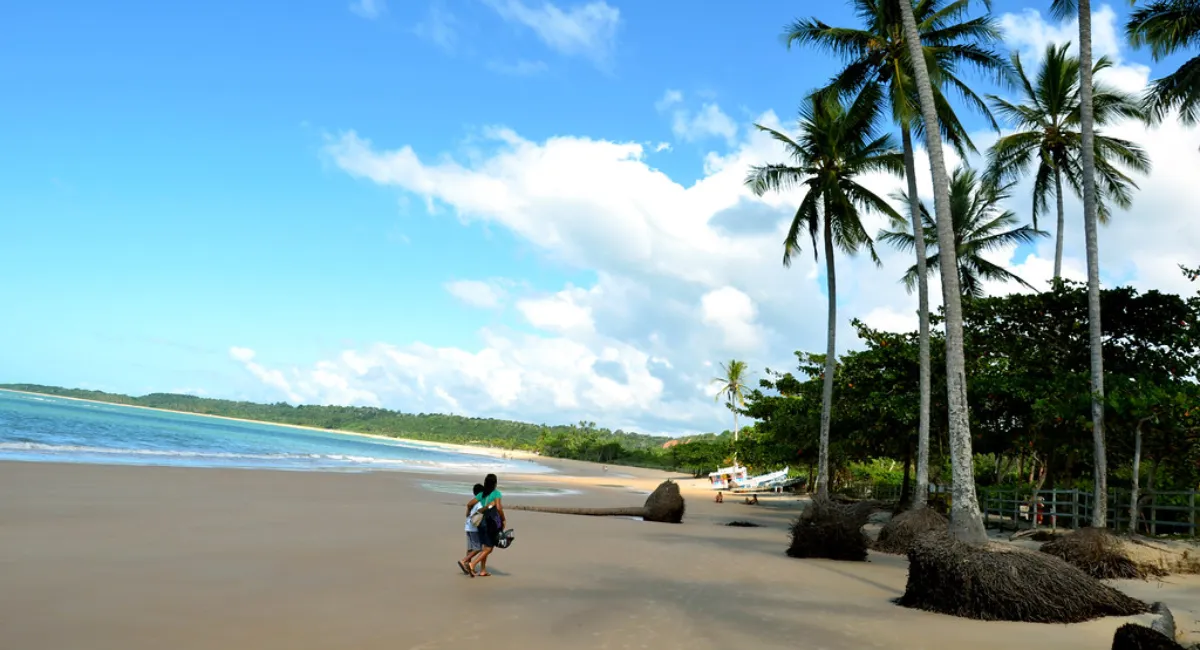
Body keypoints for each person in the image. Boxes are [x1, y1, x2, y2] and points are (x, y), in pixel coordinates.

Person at [468, 473, 505, 577]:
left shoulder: (482, 494)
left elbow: (470, 503)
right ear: (495, 483)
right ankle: (472, 564)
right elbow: (498, 508)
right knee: (489, 548)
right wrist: (503, 519)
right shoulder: (496, 493)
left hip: (480, 522)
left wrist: (469, 513)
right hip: (491, 522)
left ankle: (483, 570)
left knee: (485, 546)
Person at [458, 483, 485, 577]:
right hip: (474, 528)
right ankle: (464, 561)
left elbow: (467, 514)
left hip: (468, 526)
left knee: (470, 548)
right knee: (478, 548)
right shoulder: (480, 503)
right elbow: (480, 516)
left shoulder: (472, 503)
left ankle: (467, 567)